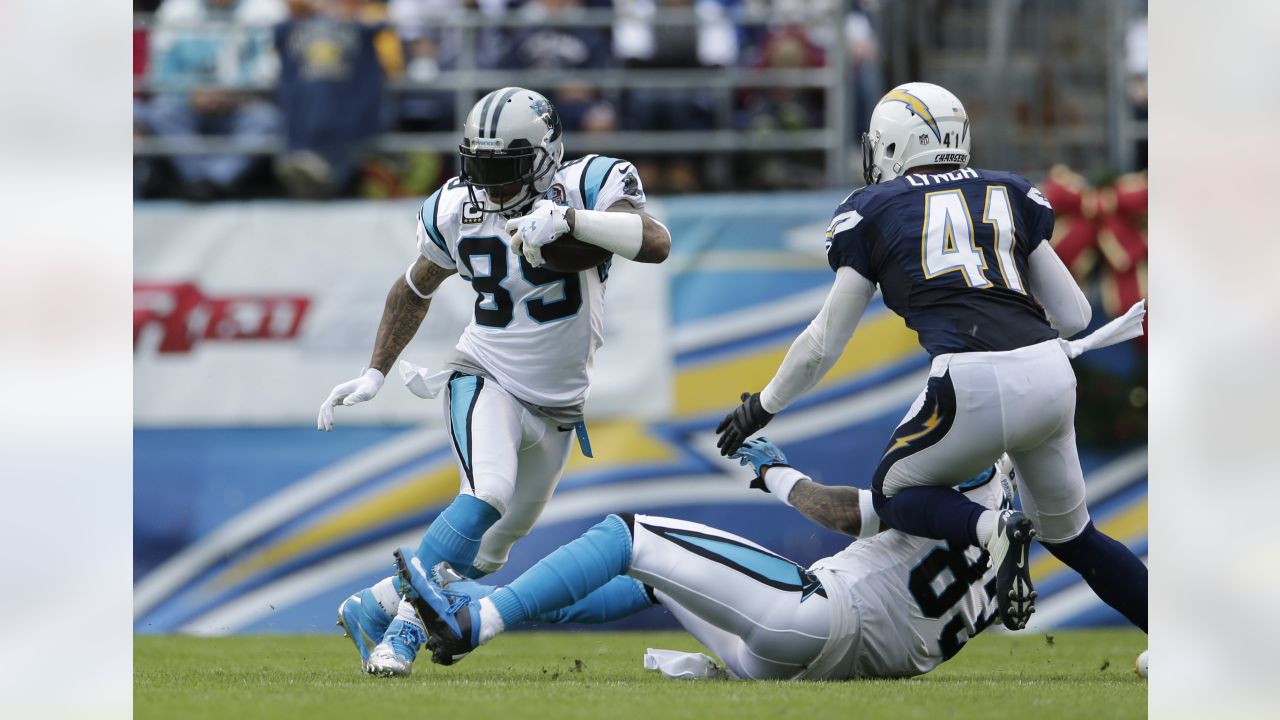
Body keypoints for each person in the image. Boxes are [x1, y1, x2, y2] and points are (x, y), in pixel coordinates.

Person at [713, 82, 1148, 635]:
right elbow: (1072, 315)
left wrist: (763, 407)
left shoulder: (872, 209)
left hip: (967, 376)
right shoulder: (1009, 191)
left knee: (894, 494)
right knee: (1073, 536)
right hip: (1049, 372)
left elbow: (825, 341)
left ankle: (992, 528)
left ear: (893, 146)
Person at [317, 86, 672, 676]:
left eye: (506, 169)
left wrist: (570, 219)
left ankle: (369, 606)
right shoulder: (456, 207)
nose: (492, 184)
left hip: (559, 408)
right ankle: (403, 635)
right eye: (479, 167)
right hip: (486, 375)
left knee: (484, 561)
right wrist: (375, 371)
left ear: (546, 156)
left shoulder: (589, 185)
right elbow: (415, 284)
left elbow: (655, 242)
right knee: (489, 491)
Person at [395, 437, 1012, 680]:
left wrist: (773, 473)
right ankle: (450, 608)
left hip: (819, 618)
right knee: (662, 579)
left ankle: (475, 620)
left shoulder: (952, 473)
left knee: (626, 536)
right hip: (828, 665)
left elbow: (843, 513)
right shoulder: (1005, 520)